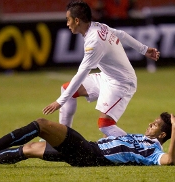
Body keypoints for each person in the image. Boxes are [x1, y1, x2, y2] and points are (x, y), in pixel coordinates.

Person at [42, 1, 160, 138]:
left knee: (105, 125)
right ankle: (62, 139)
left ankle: (141, 147)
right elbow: (121, 34)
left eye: (68, 20)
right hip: (107, 77)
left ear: (77, 20)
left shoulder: (94, 42)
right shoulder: (98, 26)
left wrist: (59, 102)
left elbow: (81, 73)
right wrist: (144, 49)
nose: (67, 24)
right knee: (67, 89)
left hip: (121, 83)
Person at [0, 107, 175, 167]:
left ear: (162, 134)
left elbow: (170, 161)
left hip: (89, 154)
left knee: (42, 125)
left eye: (156, 125)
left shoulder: (154, 151)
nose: (150, 124)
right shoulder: (139, 139)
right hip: (88, 152)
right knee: (30, 149)